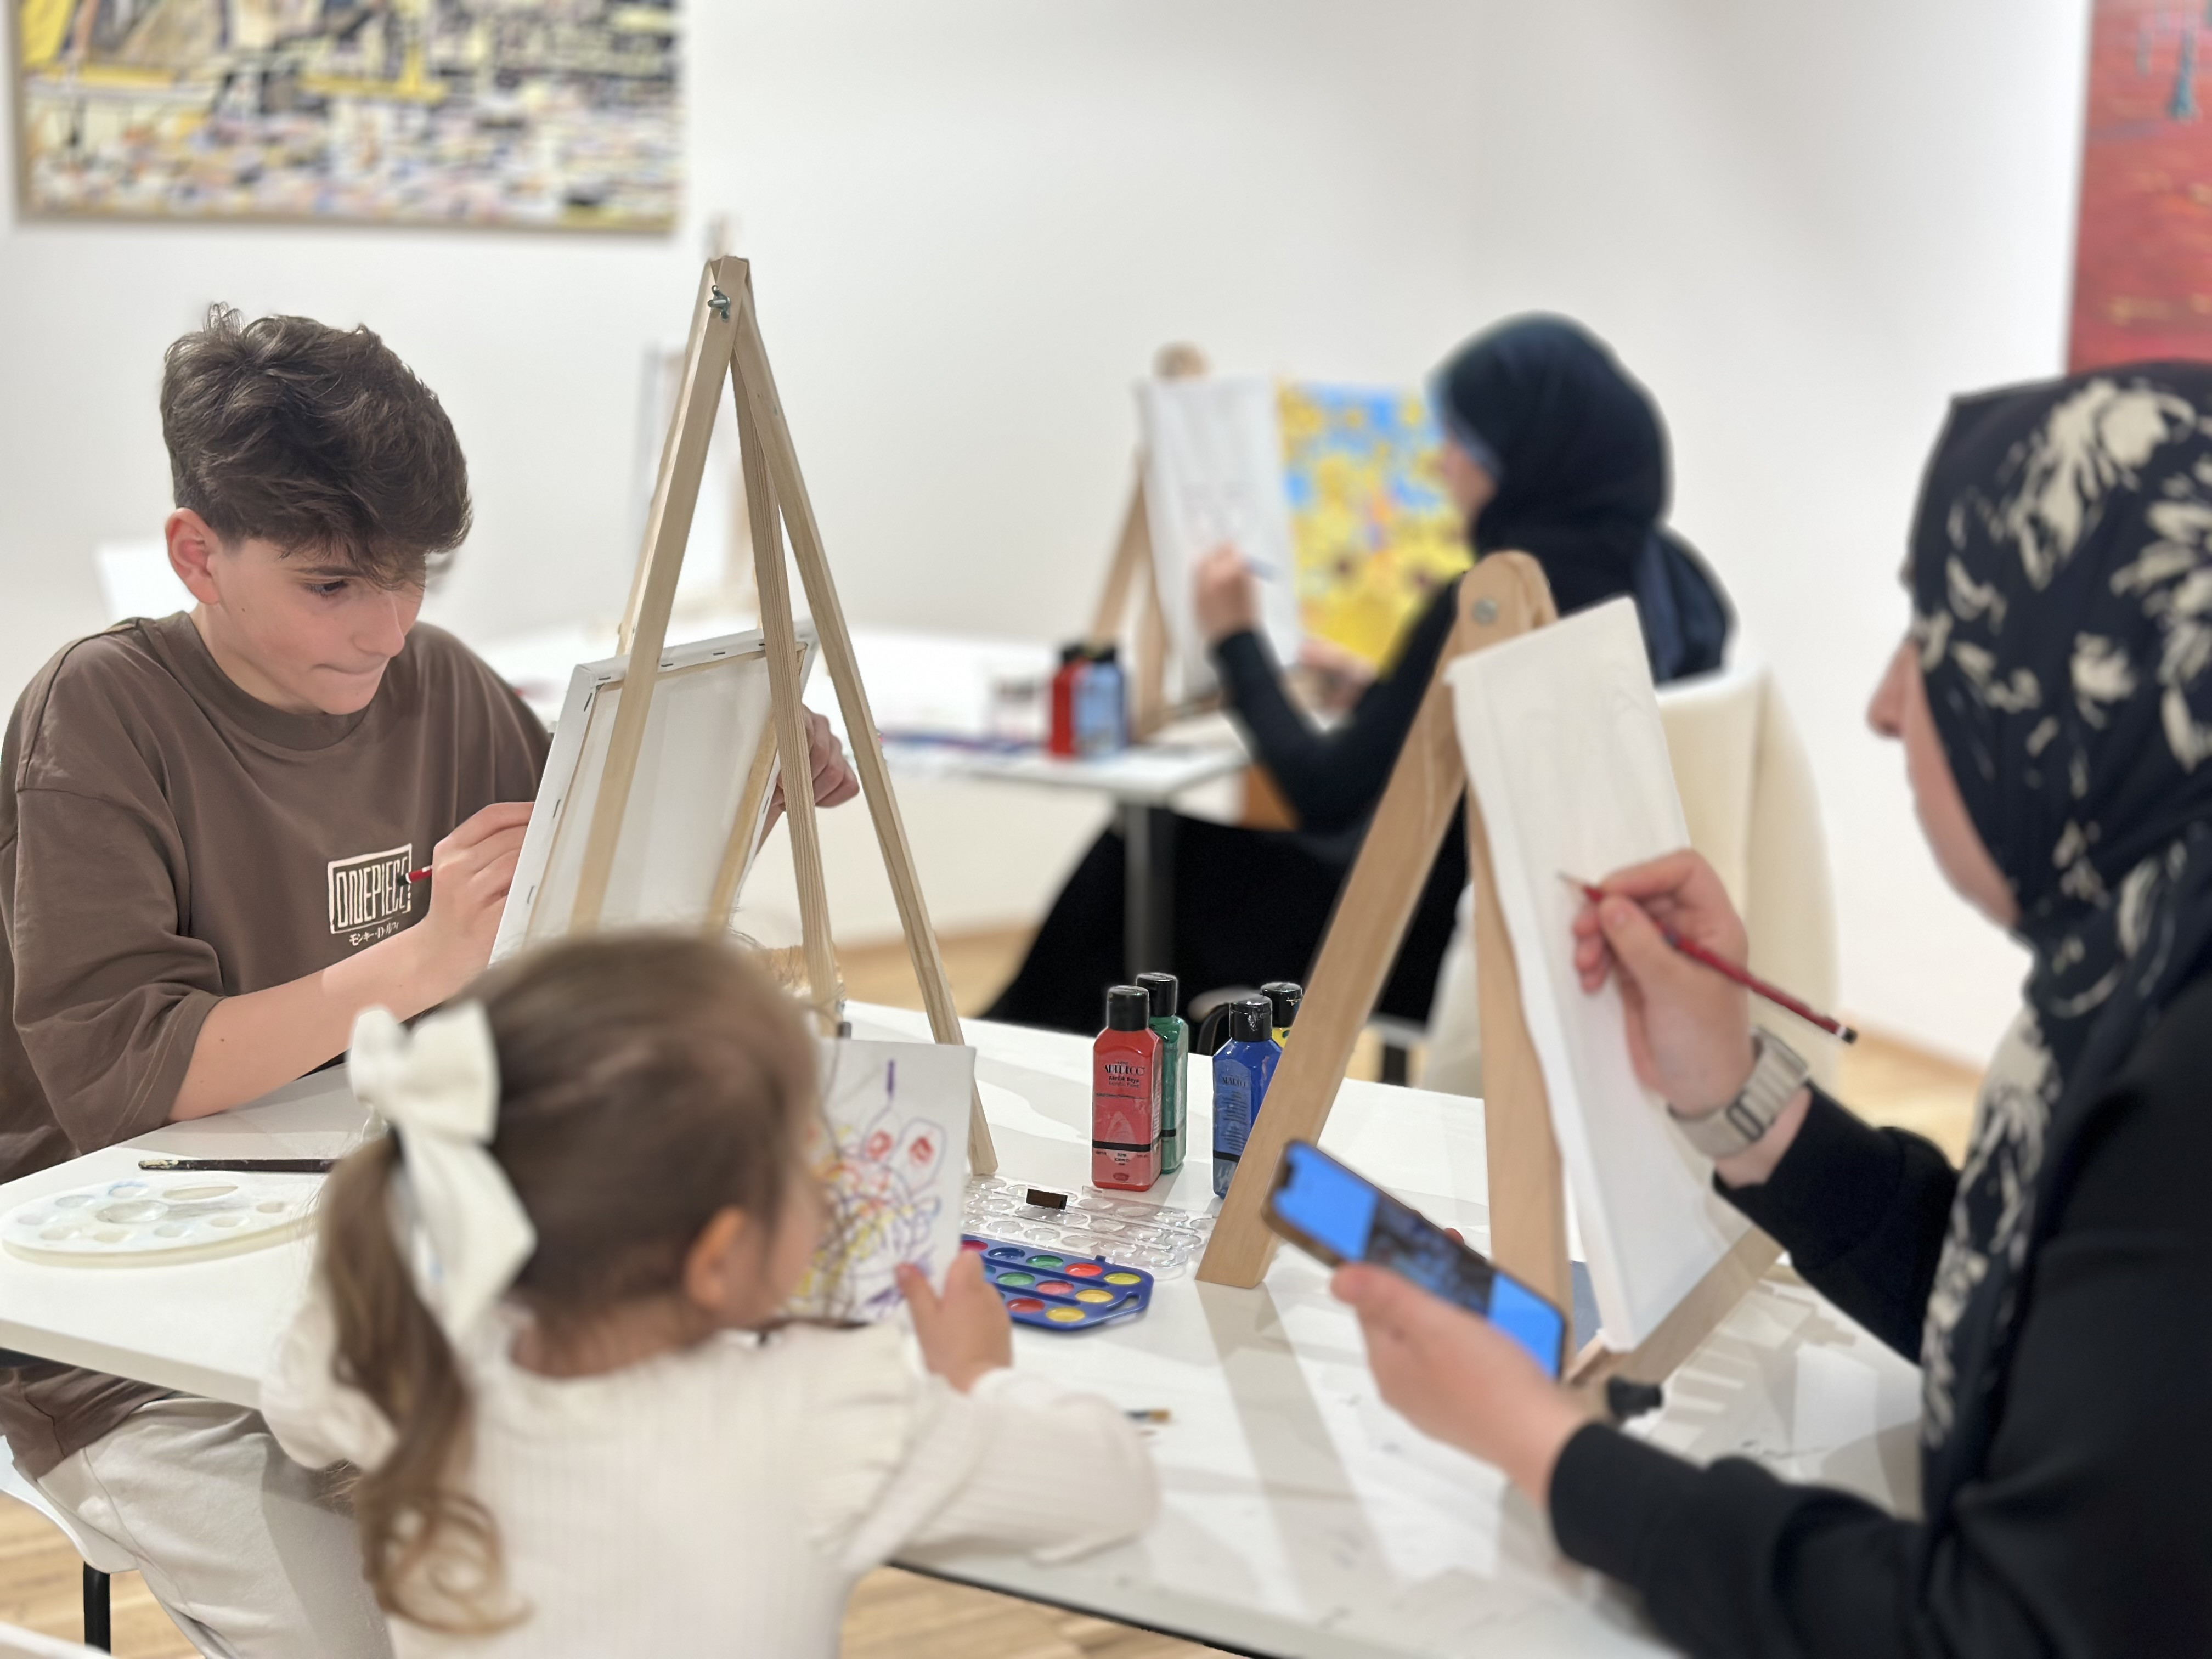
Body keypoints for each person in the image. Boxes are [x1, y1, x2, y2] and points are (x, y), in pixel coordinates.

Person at [0, 308, 859, 1656]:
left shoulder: (439, 685)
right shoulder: (104, 713)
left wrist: (742, 784)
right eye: (334, 585)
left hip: (388, 1273)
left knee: (620, 1570)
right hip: (127, 1326)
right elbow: (127, 1080)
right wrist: (419, 961)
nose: (387, 628)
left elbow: (586, 911)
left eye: (412, 580)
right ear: (198, 554)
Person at [1331, 365, 2212, 1653]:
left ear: (2083, 690)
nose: (1886, 703)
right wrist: (1740, 1095)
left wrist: (1552, 1449)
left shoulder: (2185, 1096)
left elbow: (1988, 1632)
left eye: (1943, 638)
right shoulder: (2152, 968)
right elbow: (2042, 1314)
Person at [262, 931, 1156, 1655]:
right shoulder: (825, 1405)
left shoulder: (405, 1359)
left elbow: (295, 1404)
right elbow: (1112, 1484)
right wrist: (979, 1374)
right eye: (810, 1155)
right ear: (718, 1259)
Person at [987, 315, 1729, 1035]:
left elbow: (1324, 795)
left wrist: (1235, 638)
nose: (1444, 464)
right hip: (1550, 921)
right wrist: (1380, 694)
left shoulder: (1496, 603)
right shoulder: (1677, 580)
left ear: (1523, 457)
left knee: (1148, 863)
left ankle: (1006, 1052)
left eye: (1464, 443)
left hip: (1417, 934)